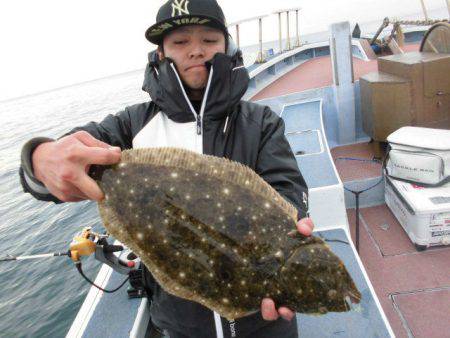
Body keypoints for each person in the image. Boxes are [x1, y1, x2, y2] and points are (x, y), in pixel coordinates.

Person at [19, 0, 314, 337]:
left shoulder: (260, 123)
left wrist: (292, 223)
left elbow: (287, 190)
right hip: (180, 322)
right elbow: (55, 170)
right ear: (161, 53)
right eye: (180, 42)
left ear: (227, 47)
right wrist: (41, 159)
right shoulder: (130, 127)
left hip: (261, 313)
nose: (195, 51)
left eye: (208, 40)